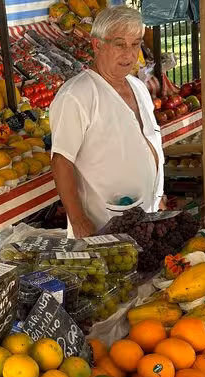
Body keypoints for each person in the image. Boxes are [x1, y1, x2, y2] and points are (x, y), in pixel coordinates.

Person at [49, 6, 164, 238]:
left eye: (135, 44)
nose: (130, 54)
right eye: (120, 44)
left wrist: (158, 196)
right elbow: (61, 161)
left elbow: (147, 143)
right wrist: (79, 220)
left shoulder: (139, 87)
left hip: (144, 218)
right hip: (102, 225)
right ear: (97, 45)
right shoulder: (77, 95)